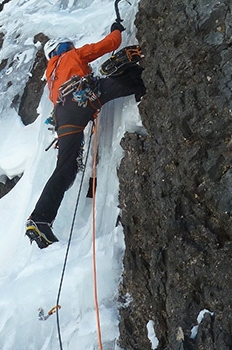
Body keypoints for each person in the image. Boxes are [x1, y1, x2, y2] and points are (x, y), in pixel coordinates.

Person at [25, 20, 145, 249]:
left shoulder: (51, 80)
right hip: (82, 99)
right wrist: (116, 29)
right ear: (61, 49)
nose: (70, 48)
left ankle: (39, 218)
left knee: (65, 170)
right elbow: (109, 43)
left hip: (64, 119)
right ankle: (131, 78)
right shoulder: (71, 57)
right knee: (135, 80)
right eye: (67, 46)